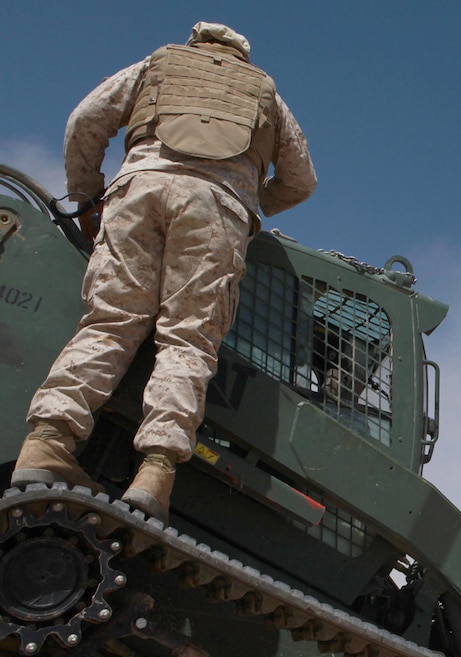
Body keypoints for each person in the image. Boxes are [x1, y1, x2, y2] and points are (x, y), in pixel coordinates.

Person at [11, 22, 317, 525]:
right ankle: (154, 476)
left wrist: (88, 193)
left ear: (198, 44)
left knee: (110, 322)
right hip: (216, 208)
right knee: (187, 342)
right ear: (242, 55)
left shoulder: (157, 64)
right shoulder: (267, 94)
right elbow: (302, 179)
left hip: (139, 190)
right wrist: (247, 203)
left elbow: (86, 119)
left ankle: (47, 444)